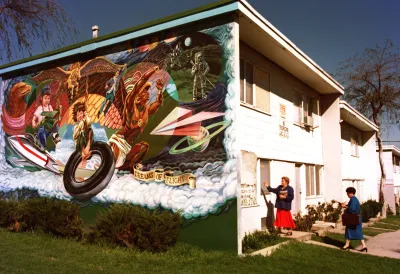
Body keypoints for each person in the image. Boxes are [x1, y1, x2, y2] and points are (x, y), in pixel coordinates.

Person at [341, 187, 367, 252]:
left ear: (351, 193)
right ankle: (364, 245)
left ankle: (346, 245)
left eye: (347, 193)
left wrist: (345, 207)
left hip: (353, 218)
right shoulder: (354, 199)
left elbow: (352, 209)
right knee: (358, 231)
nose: (347, 194)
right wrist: (347, 205)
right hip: (357, 218)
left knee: (348, 231)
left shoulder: (353, 199)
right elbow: (352, 206)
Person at [73, 102, 93, 168]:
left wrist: (86, 115)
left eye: (81, 113)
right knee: (82, 133)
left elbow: (89, 122)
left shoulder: (86, 122)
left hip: (87, 145)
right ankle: (83, 154)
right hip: (80, 148)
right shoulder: (76, 126)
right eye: (77, 115)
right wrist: (80, 127)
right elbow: (75, 136)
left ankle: (86, 151)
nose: (79, 116)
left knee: (89, 130)